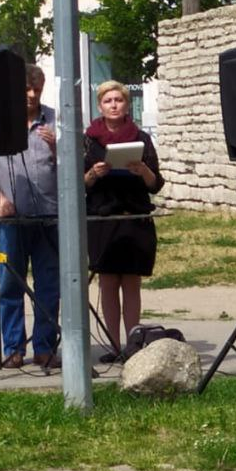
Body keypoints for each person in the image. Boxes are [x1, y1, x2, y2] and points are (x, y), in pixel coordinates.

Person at [84, 80, 165, 361]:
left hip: (134, 218)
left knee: (131, 283)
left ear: (127, 105)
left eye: (119, 100)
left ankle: (132, 346)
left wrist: (142, 170)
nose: (114, 105)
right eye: (108, 101)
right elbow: (77, 184)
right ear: (100, 106)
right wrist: (94, 174)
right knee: (107, 283)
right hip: (103, 220)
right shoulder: (89, 140)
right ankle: (113, 345)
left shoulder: (141, 137)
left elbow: (156, 184)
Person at [0, 64, 60, 370]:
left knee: (49, 284)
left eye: (37, 90)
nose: (31, 95)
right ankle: (13, 348)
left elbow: (76, 161)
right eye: (26, 90)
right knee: (8, 284)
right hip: (9, 219)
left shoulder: (55, 118)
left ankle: (44, 348)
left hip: (50, 216)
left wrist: (58, 145)